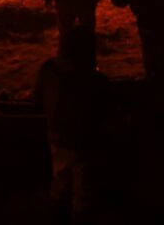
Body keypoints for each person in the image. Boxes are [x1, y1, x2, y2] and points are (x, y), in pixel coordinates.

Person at [33, 26, 110, 222]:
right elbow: (104, 111)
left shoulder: (49, 70)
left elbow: (37, 99)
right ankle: (79, 215)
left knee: (60, 179)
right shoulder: (94, 81)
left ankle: (56, 212)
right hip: (83, 144)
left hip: (57, 138)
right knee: (83, 188)